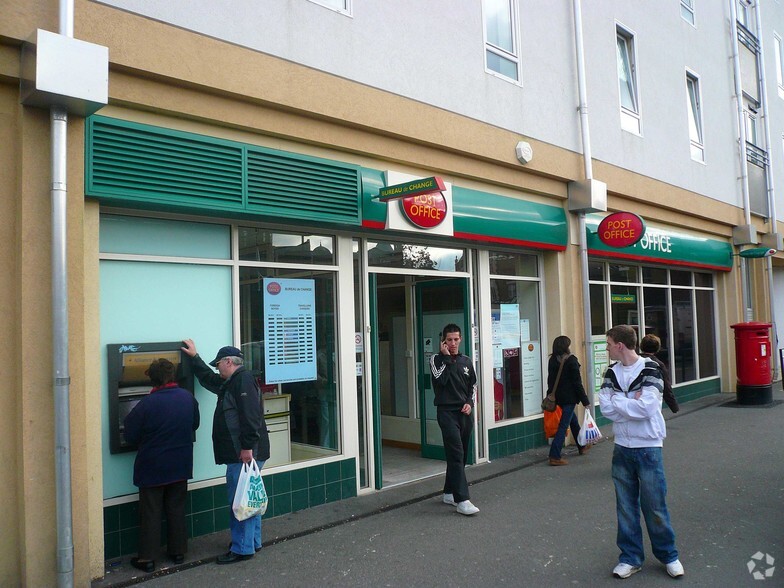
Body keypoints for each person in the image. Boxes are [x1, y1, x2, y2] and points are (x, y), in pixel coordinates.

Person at [599, 325, 684, 580]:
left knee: (654, 505)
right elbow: (605, 407)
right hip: (622, 447)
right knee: (625, 507)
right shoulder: (611, 372)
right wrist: (630, 401)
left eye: (609, 344)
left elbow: (647, 407)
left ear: (620, 345)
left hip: (648, 446)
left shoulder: (650, 369)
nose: (607, 349)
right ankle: (630, 558)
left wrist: (618, 400)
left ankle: (669, 556)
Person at [181, 340, 270, 564]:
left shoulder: (242, 381)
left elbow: (251, 416)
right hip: (246, 452)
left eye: (218, 364)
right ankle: (252, 542)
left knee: (240, 502)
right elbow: (209, 379)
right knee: (249, 498)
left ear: (228, 362)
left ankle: (242, 549)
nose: (217, 368)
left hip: (245, 453)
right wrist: (195, 358)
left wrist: (247, 447)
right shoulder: (233, 381)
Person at [123, 358, 200, 573]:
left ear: (153, 379)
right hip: (180, 463)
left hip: (153, 466)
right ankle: (178, 552)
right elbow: (194, 424)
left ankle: (147, 558)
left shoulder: (147, 403)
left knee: (151, 512)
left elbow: (130, 434)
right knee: (176, 508)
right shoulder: (187, 397)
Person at [429, 323, 479, 516]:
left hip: (464, 413)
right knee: (456, 453)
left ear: (461, 339)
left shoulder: (466, 361)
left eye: (456, 339)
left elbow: (472, 385)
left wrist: (469, 403)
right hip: (446, 413)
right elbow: (439, 380)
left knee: (461, 455)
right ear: (443, 341)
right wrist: (447, 359)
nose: (453, 343)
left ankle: (449, 492)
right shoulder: (436, 360)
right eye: (449, 340)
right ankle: (462, 500)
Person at [546, 335, 591, 466]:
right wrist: (585, 401)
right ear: (566, 347)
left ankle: (582, 445)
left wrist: (550, 395)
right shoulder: (572, 360)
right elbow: (577, 383)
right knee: (563, 426)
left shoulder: (552, 360)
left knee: (572, 421)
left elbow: (550, 380)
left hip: (558, 397)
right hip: (570, 398)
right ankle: (554, 455)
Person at [639, 334, 679, 413]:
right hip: (650, 401)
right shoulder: (658, 364)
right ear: (658, 348)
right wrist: (674, 407)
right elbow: (666, 387)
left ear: (641, 346)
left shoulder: (633, 361)